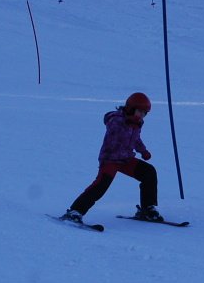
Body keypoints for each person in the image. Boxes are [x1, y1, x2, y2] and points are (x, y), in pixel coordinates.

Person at [63, 92, 162, 223]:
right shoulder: (116, 119)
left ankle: (147, 209)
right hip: (110, 159)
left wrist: (143, 151)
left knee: (149, 172)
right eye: (140, 111)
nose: (142, 115)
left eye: (145, 113)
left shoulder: (137, 122)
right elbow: (112, 126)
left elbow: (136, 139)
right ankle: (75, 211)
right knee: (101, 185)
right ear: (130, 108)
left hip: (126, 159)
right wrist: (127, 122)